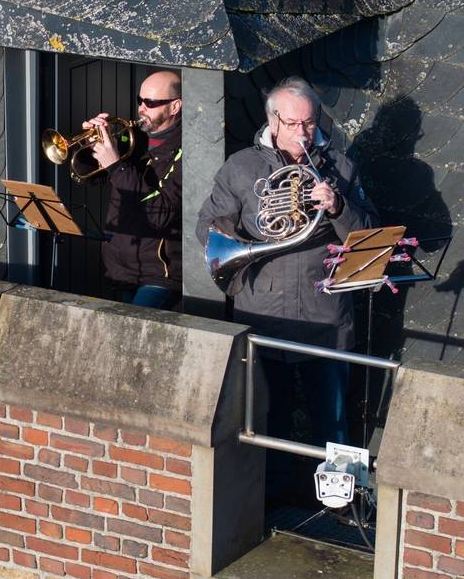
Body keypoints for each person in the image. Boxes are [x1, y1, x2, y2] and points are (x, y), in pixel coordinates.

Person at [196, 76, 378, 453]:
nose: (303, 133)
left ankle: (337, 489)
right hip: (264, 314)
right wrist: (240, 239)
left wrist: (339, 207)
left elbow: (370, 237)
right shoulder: (241, 167)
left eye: (309, 123)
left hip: (325, 315)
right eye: (293, 124)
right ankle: (275, 487)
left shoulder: (341, 168)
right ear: (273, 121)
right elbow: (207, 228)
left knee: (332, 420)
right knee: (268, 419)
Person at [83, 69, 183, 309]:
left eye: (150, 103)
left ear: (175, 106)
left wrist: (116, 165)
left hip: (160, 273)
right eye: (140, 100)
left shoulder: (185, 150)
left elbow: (160, 213)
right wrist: (90, 147)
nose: (141, 108)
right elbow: (91, 178)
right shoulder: (133, 138)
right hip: (121, 268)